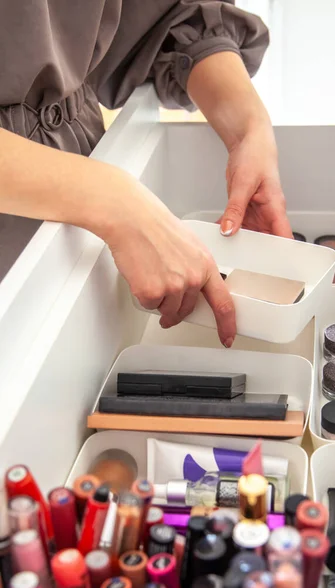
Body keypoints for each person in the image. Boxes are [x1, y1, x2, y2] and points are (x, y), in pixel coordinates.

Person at [0, 1, 292, 348]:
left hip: (86, 199)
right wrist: (112, 200)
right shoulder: (111, 199)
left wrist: (248, 128)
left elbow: (161, 17)